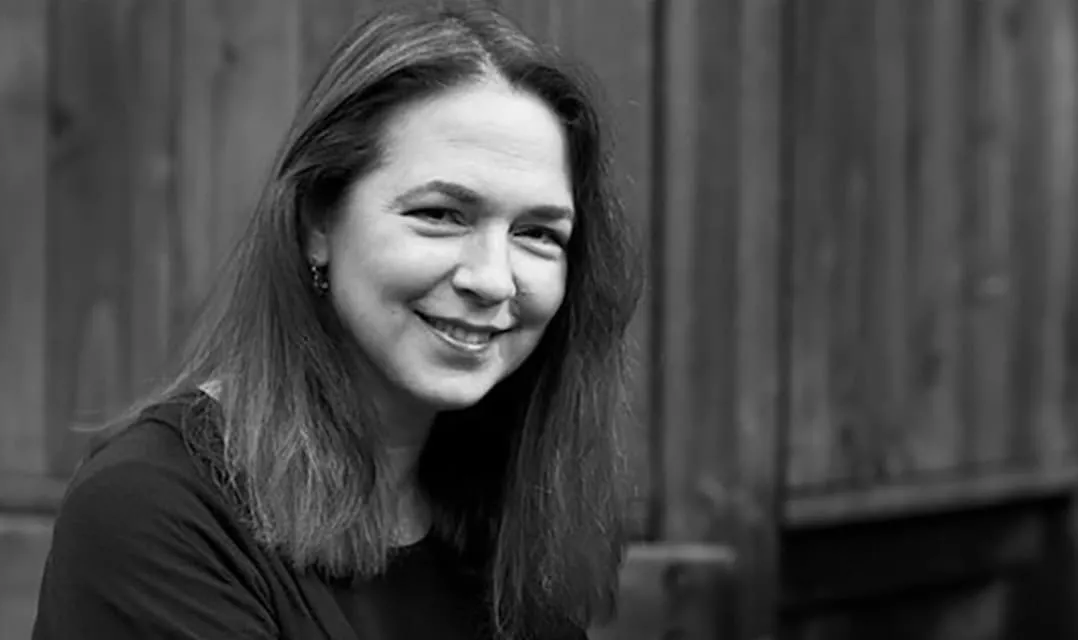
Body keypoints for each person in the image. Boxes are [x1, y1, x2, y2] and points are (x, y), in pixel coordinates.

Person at [32, 2, 642, 639]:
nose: (493, 278)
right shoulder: (153, 513)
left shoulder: (505, 522)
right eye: (439, 214)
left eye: (538, 233)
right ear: (317, 222)